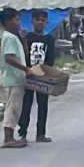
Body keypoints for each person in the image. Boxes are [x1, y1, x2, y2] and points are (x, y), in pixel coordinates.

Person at [18, 9, 56, 143]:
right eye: (37, 20)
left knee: (43, 105)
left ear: (46, 22)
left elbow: (50, 59)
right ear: (32, 21)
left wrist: (47, 73)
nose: (40, 22)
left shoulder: (49, 39)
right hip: (28, 74)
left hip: (43, 76)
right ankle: (22, 133)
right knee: (26, 105)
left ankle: (41, 133)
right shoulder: (27, 37)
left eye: (42, 20)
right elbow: (24, 55)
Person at [0, 7, 30, 149]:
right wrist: (25, 69)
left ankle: (10, 136)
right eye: (16, 20)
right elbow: (9, 58)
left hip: (17, 78)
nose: (19, 23)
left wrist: (23, 40)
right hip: (14, 78)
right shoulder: (9, 37)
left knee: (15, 107)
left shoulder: (14, 37)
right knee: (13, 108)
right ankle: (8, 138)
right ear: (7, 21)